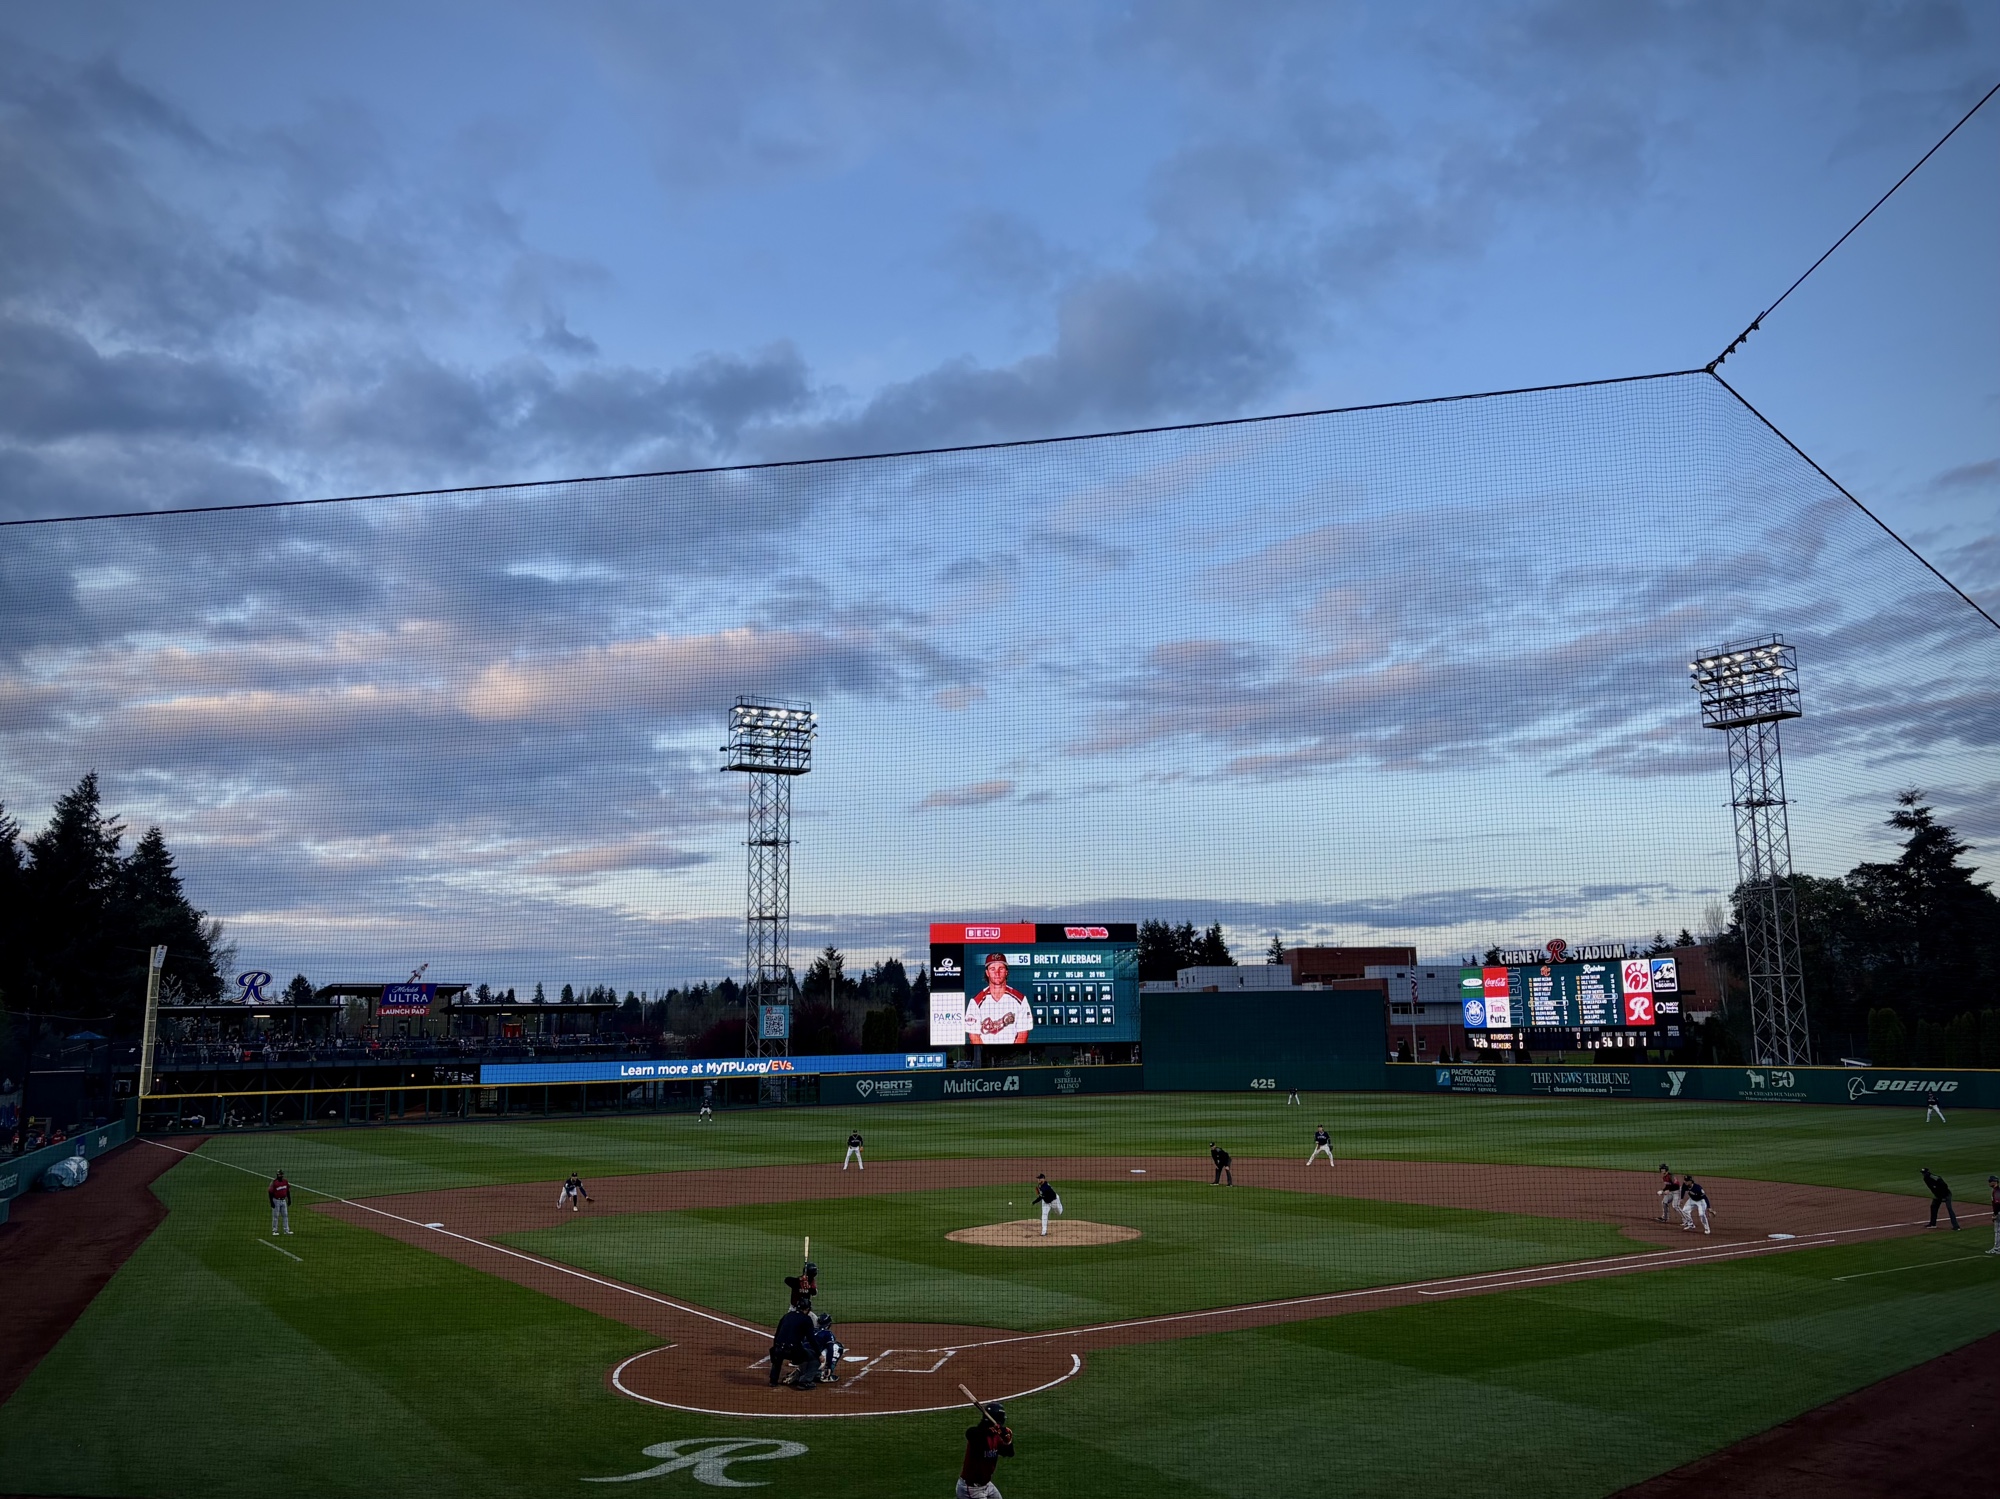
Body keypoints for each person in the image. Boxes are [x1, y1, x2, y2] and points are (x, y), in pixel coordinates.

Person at [963, 953, 1031, 1047]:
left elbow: (1023, 1034)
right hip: (985, 1054)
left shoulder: (1020, 999)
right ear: (987, 973)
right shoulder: (976, 1001)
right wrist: (987, 1054)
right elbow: (974, 1036)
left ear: (1006, 972)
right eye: (992, 969)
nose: (997, 973)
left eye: (1001, 968)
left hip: (1013, 1053)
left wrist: (1012, 1053)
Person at [957, 1401, 1014, 1499]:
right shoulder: (977, 1436)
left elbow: (1009, 1453)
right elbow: (971, 1433)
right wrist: (990, 1430)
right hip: (971, 1488)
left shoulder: (996, 1437)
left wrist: (1007, 1441)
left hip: (987, 1485)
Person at [768, 1306, 818, 1389]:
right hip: (793, 1352)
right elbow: (811, 1339)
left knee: (777, 1357)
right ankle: (804, 1381)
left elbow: (777, 1334)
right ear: (807, 1309)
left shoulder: (787, 1316)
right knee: (814, 1357)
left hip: (778, 1349)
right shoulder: (806, 1319)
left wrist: (775, 1348)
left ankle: (773, 1381)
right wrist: (819, 1354)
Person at [269, 1170, 292, 1236]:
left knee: (285, 1215)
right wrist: (271, 1202)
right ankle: (274, 1230)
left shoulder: (285, 1181)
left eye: (281, 1174)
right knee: (275, 1216)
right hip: (276, 1200)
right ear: (277, 1175)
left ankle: (286, 1230)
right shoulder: (274, 1182)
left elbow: (288, 1191)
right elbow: (270, 1192)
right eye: (279, 1174)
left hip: (283, 1200)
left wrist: (289, 1199)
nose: (280, 1175)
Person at [1987, 1174, 1999, 1256]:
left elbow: (1997, 1204)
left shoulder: (1996, 1191)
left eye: (1990, 1181)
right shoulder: (1996, 1190)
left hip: (1999, 1213)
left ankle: (1997, 1248)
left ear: (1995, 1182)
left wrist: (1995, 1214)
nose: (1989, 1183)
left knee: (1997, 1231)